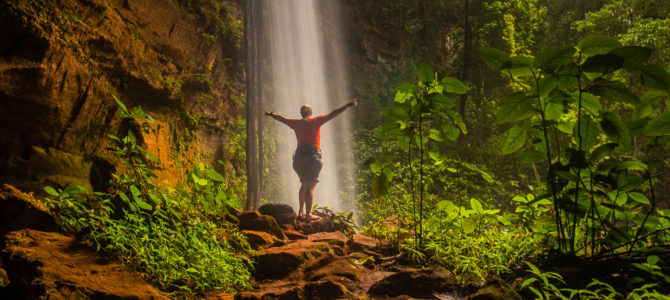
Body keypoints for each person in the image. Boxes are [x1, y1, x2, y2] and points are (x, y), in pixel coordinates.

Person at [265, 99, 357, 221]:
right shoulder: (316, 121)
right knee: (311, 186)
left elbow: (282, 118)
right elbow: (334, 113)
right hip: (313, 158)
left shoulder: (296, 123)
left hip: (298, 159)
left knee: (303, 184)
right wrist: (348, 104)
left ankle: (300, 212)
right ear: (310, 112)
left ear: (301, 113)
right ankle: (308, 214)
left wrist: (270, 114)